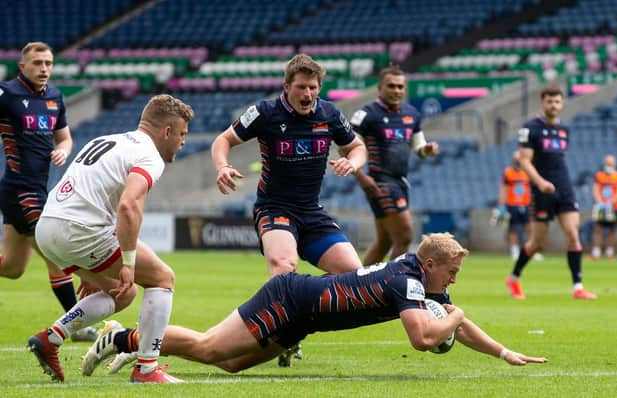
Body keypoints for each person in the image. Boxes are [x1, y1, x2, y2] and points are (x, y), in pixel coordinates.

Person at [81, 233, 548, 377]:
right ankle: (125, 337)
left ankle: (140, 343)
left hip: (304, 317)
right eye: (451, 273)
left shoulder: (419, 276)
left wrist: (504, 352)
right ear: (429, 264)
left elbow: (453, 324)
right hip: (290, 299)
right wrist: (456, 314)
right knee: (208, 349)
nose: (453, 281)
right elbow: (425, 338)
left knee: (231, 366)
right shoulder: (409, 281)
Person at [26, 94, 194, 384]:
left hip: (47, 228)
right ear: (167, 131)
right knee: (162, 278)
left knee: (123, 293)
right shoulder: (150, 155)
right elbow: (129, 206)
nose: (183, 141)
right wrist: (127, 261)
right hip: (80, 230)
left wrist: (93, 267)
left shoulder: (108, 140)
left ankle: (51, 338)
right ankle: (146, 369)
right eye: (182, 134)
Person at [211, 54, 366, 365]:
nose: (307, 94)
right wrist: (223, 167)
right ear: (286, 87)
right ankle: (282, 336)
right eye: (301, 88)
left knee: (355, 278)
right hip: (274, 209)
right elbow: (223, 140)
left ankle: (296, 325)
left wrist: (353, 162)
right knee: (284, 268)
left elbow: (358, 146)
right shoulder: (265, 112)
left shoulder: (329, 114)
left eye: (313, 88)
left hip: (312, 213)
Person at [0, 42, 96, 341]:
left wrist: (63, 151)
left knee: (13, 268)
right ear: (23, 66)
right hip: (18, 189)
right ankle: (75, 324)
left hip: (39, 187)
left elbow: (65, 138)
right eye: (38, 63)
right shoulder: (6, 94)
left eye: (49, 63)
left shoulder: (55, 97)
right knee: (55, 251)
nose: (44, 69)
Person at [505, 86, 597, 300]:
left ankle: (578, 287)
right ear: (542, 103)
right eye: (549, 101)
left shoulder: (565, 129)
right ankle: (514, 277)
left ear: (562, 104)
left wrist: (556, 182)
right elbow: (524, 160)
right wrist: (540, 182)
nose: (553, 105)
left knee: (573, 234)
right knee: (537, 244)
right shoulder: (530, 128)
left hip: (564, 187)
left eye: (557, 102)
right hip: (541, 190)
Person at [350, 65, 439, 265]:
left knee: (384, 241)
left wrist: (428, 150)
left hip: (400, 182)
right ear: (380, 88)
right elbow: (347, 147)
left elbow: (419, 148)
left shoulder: (412, 114)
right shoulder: (367, 115)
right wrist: (361, 176)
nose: (396, 90)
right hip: (380, 182)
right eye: (391, 86)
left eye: (400, 86)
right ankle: (393, 287)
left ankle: (356, 289)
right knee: (405, 237)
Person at [493, 151, 543, 261]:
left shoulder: (528, 172)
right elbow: (503, 189)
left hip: (526, 204)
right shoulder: (508, 172)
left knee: (529, 228)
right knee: (513, 228)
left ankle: (531, 250)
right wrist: (501, 205)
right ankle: (514, 250)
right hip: (512, 204)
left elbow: (532, 189)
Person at [589, 154, 617, 260]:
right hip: (600, 206)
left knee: (613, 229)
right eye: (607, 163)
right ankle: (596, 252)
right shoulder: (599, 175)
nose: (608, 165)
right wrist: (600, 201)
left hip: (614, 207)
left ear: (614, 164)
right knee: (597, 228)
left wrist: (612, 201)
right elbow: (595, 189)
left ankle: (610, 252)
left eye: (610, 163)